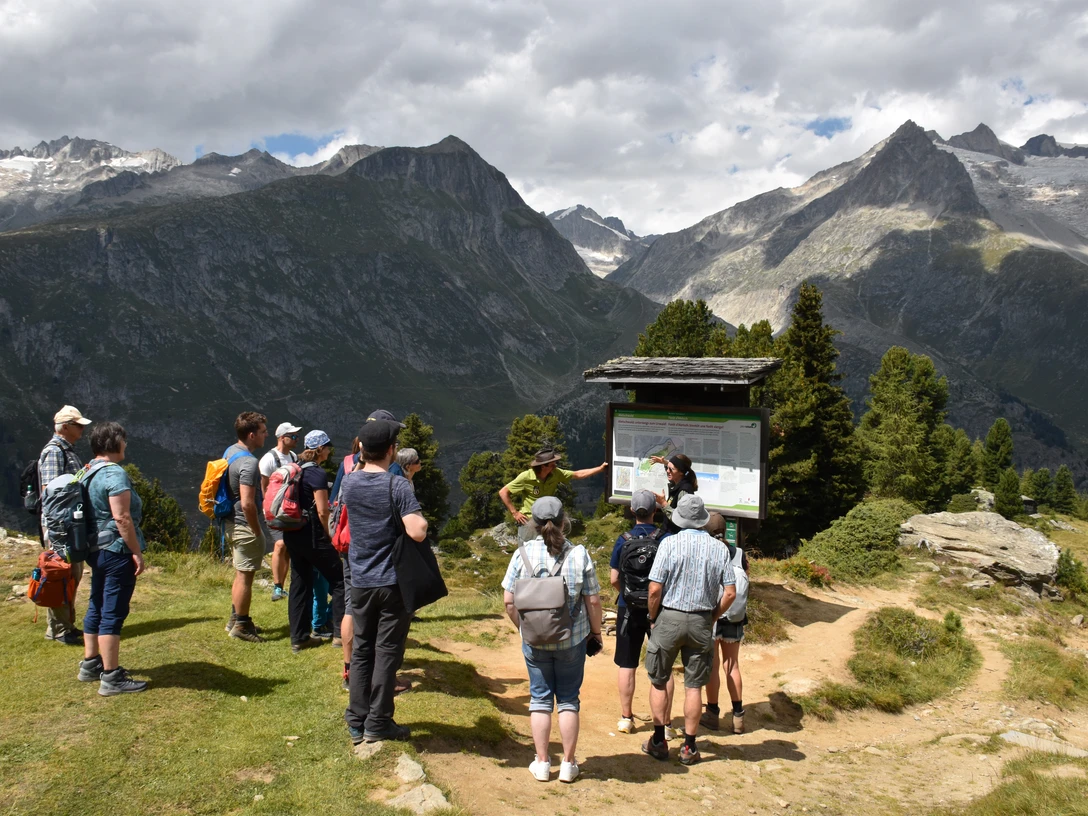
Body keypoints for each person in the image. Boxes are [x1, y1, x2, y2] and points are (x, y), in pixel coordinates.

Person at [502, 497, 604, 784]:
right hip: (571, 640)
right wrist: (595, 634)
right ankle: (570, 765)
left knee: (540, 698)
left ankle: (543, 762)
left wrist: (524, 630)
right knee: (569, 699)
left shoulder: (521, 555)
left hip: (534, 641)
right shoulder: (580, 554)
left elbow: (509, 602)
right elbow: (593, 601)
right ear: (563, 521)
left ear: (533, 524)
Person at [343, 418, 428, 744]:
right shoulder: (398, 486)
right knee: (387, 651)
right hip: (392, 582)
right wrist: (420, 517)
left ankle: (356, 719)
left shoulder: (350, 483)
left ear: (363, 449)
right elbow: (416, 531)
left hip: (361, 579)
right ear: (392, 450)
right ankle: (378, 721)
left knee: (363, 649)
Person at [642, 494, 736, 766]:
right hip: (701, 621)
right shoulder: (719, 549)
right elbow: (730, 592)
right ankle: (689, 747)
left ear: (679, 518)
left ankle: (659, 741)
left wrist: (653, 616)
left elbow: (655, 588)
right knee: (694, 686)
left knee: (659, 680)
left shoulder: (669, 544)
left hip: (669, 617)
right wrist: (713, 615)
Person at [76, 422, 149, 695]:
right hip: (116, 550)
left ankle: (91, 663)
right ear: (114, 442)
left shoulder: (86, 472)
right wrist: (136, 552)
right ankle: (111, 677)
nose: (126, 445)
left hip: (94, 549)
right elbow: (122, 517)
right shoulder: (114, 474)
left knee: (96, 602)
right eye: (124, 440)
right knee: (113, 610)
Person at [609, 489, 674, 737]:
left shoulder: (622, 540)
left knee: (627, 663)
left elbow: (614, 578)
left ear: (633, 510)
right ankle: (665, 723)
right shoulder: (665, 538)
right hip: (659, 609)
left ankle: (626, 718)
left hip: (628, 609)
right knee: (663, 667)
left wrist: (627, 593)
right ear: (655, 512)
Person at [281, 431, 346, 654]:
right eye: (327, 447)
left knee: (300, 583)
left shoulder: (294, 468)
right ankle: (340, 634)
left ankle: (299, 638)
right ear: (319, 450)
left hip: (292, 532)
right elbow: (322, 510)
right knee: (340, 580)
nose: (330, 451)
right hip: (313, 535)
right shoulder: (317, 473)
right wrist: (330, 536)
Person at [38, 405, 92, 645]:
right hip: (62, 528)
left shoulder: (66, 451)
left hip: (69, 526)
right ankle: (60, 629)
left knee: (71, 575)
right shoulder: (54, 452)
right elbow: (51, 492)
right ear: (65, 427)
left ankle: (65, 625)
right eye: (78, 425)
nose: (82, 429)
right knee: (61, 575)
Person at [701, 513, 748, 734]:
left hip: (713, 613)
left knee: (713, 665)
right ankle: (738, 716)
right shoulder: (738, 553)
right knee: (733, 664)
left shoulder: (709, 552)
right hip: (735, 616)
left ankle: (712, 713)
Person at [223, 412, 268, 642]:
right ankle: (241, 625)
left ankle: (236, 618)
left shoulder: (231, 452)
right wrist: (256, 530)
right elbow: (248, 502)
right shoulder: (249, 463)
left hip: (230, 522)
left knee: (240, 573)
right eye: (262, 431)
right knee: (246, 577)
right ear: (251, 435)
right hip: (244, 525)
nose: (266, 435)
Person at [499, 449, 608, 541]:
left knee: (551, 551)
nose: (555, 466)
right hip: (529, 520)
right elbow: (503, 492)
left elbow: (578, 474)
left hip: (548, 520)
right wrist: (515, 513)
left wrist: (600, 469)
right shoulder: (526, 477)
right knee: (527, 553)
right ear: (543, 466)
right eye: (552, 464)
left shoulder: (556, 473)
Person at [259, 422, 301, 602]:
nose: (296, 439)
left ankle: (284, 585)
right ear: (281, 438)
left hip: (290, 510)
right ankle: (277, 586)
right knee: (280, 544)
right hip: (274, 510)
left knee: (289, 546)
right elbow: (264, 487)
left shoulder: (293, 456)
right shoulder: (268, 459)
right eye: (292, 436)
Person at [650, 453, 698, 535]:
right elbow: (673, 467)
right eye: (667, 468)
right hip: (668, 532)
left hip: (675, 535)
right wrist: (665, 462)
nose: (668, 471)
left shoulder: (684, 491)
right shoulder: (678, 483)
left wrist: (663, 503)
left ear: (681, 472)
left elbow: (681, 518)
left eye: (671, 469)